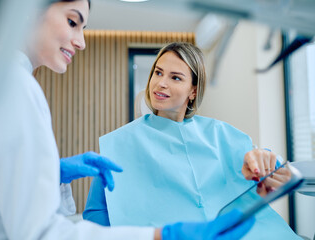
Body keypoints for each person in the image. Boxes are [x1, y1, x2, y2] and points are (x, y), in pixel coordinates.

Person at [0, 1, 256, 239]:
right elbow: (42, 233)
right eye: (73, 22)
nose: (82, 42)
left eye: (175, 77)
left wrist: (48, 172)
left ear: (193, 91)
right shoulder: (11, 86)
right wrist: (161, 235)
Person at [83, 42, 301, 239]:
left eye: (175, 77)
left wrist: (266, 161)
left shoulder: (219, 134)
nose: (160, 83)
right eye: (158, 73)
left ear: (193, 91)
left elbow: (275, 169)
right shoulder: (121, 144)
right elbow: (96, 215)